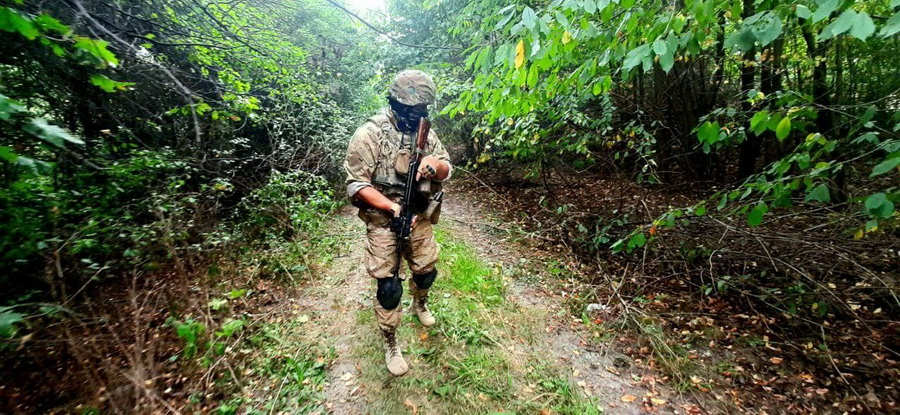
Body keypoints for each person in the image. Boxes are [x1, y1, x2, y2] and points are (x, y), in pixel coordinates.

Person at [342, 70, 452, 376]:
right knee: (388, 288)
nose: (414, 116)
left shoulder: (426, 133)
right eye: (409, 110)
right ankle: (390, 341)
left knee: (426, 272)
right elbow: (356, 185)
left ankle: (421, 303)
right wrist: (391, 207)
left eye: (421, 111)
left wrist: (435, 165)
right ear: (393, 102)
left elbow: (447, 169)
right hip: (383, 219)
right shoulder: (369, 134)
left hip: (420, 215)